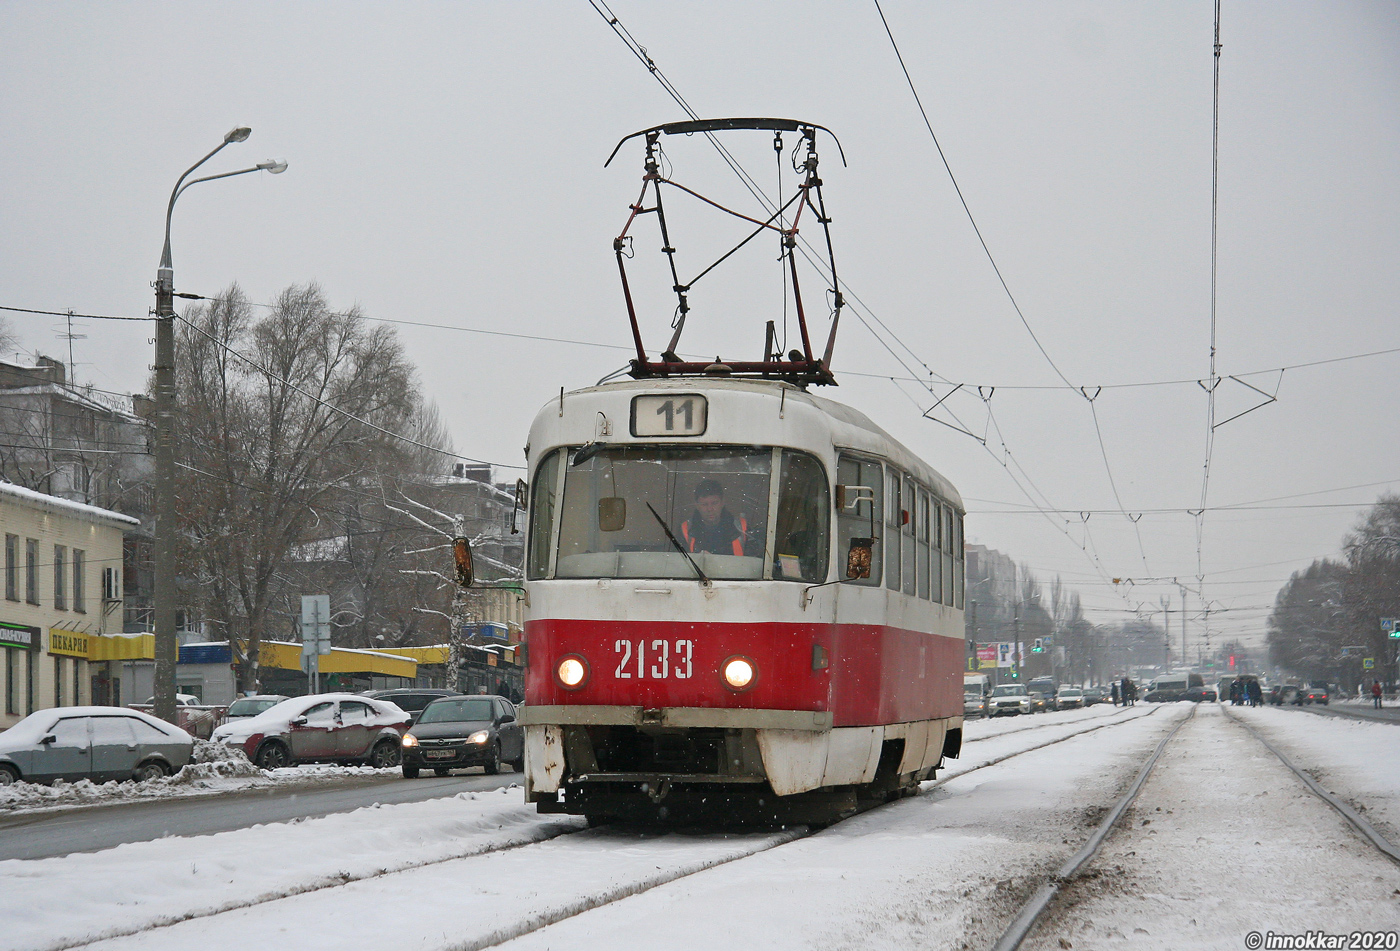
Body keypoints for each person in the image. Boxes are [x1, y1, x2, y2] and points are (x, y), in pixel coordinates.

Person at [680, 479, 750, 556]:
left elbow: (753, 562)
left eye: (714, 503)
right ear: (697, 505)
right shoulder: (686, 529)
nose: (710, 509)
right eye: (704, 504)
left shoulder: (742, 527)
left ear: (723, 502)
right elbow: (677, 563)